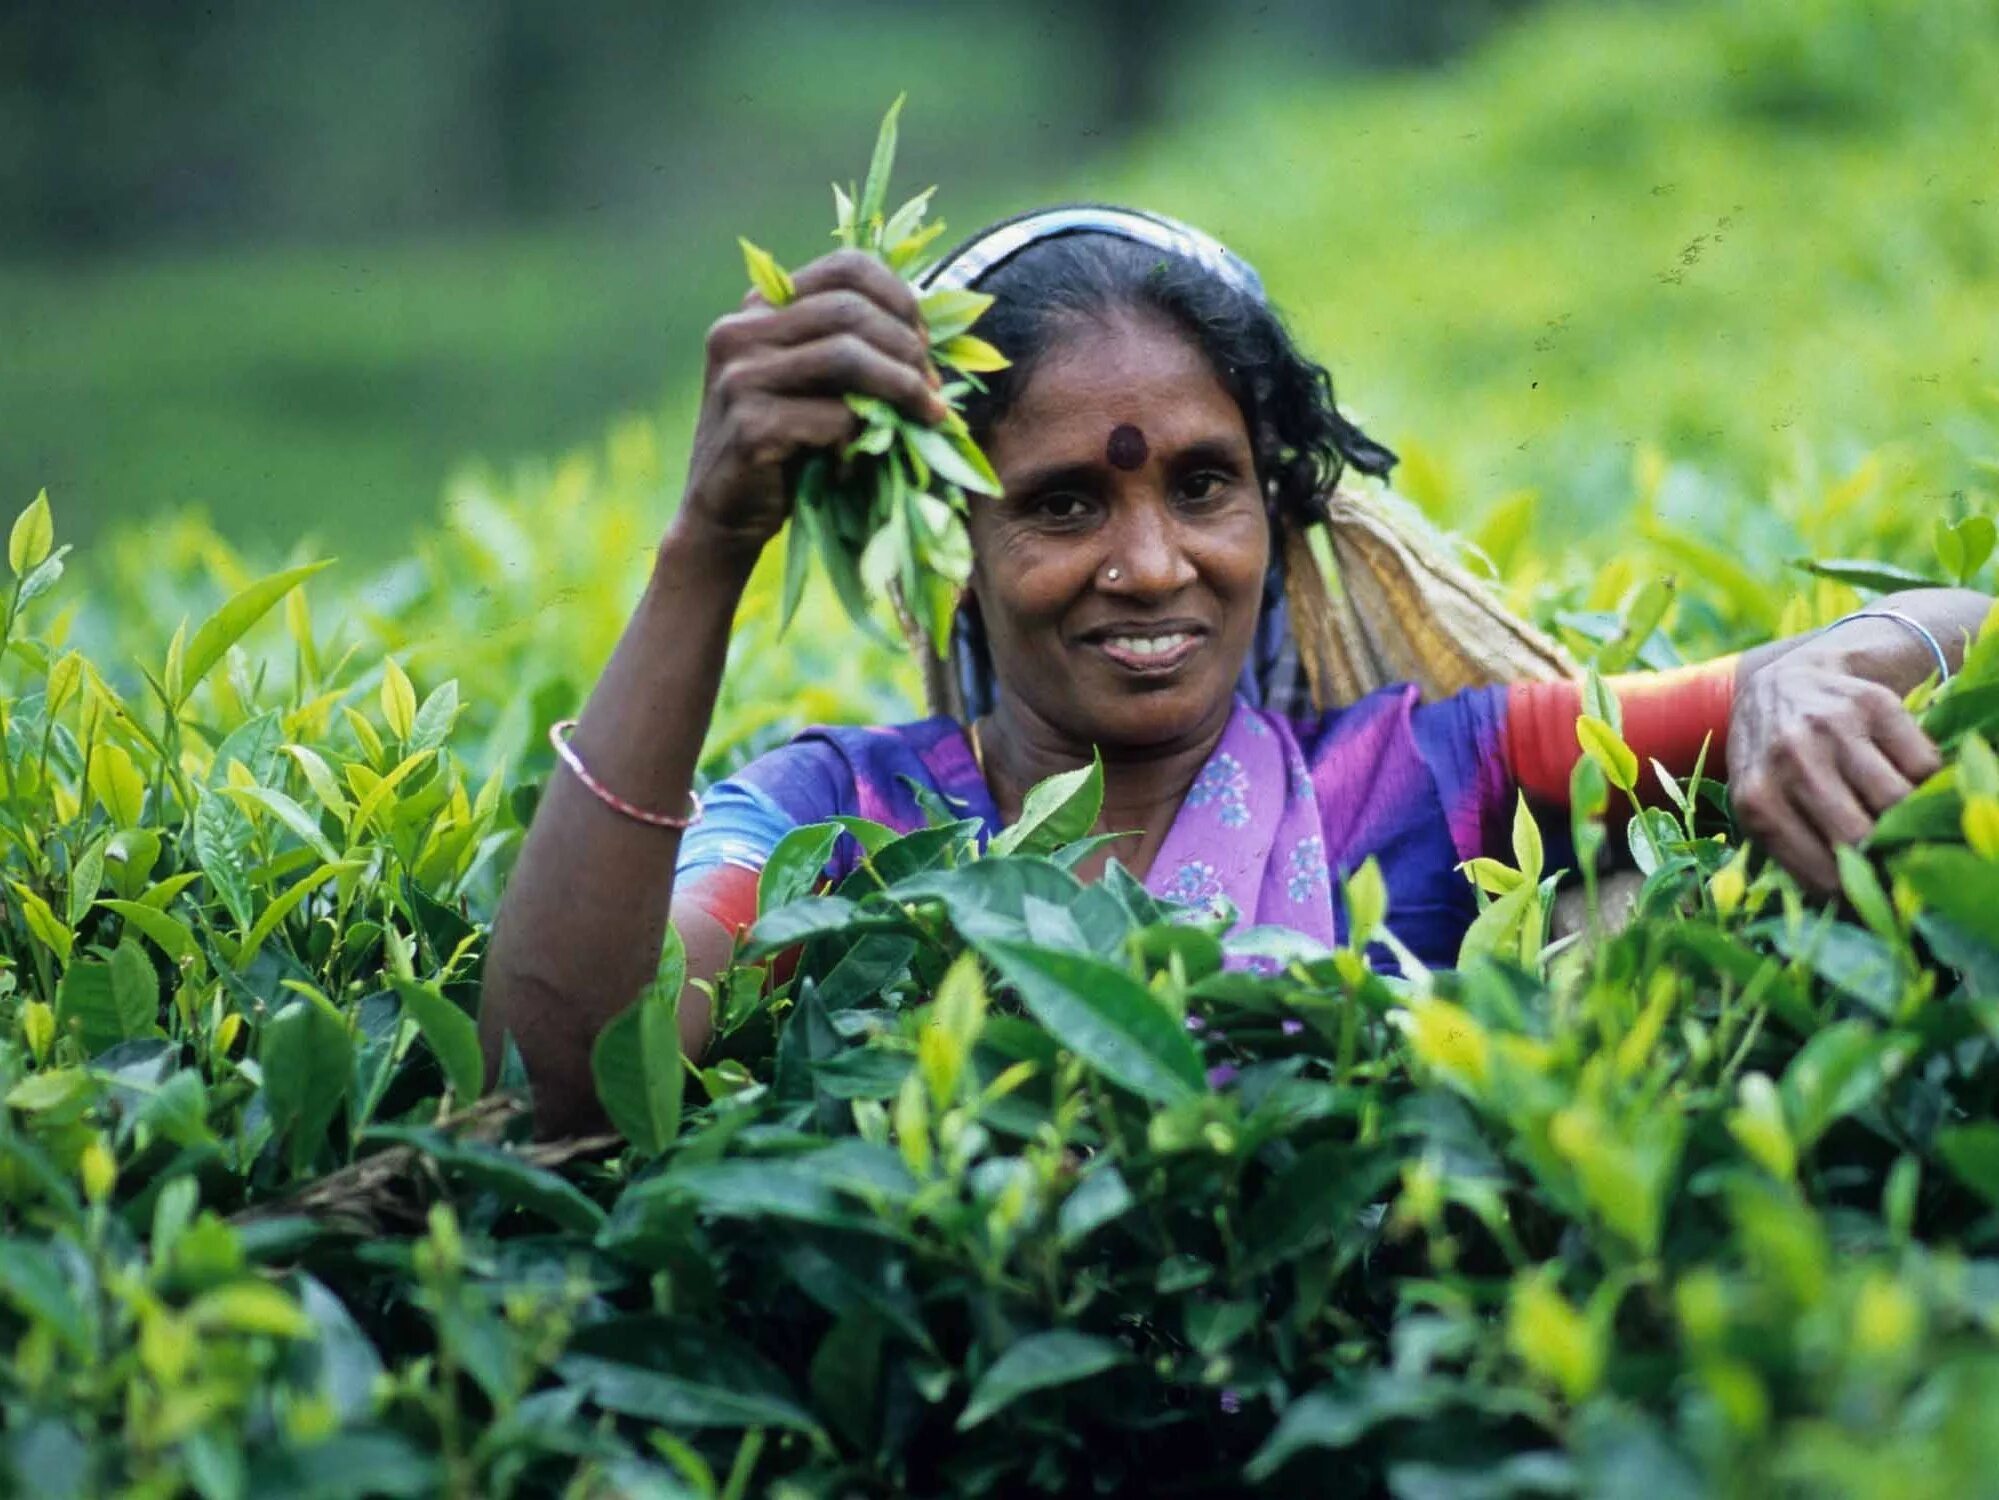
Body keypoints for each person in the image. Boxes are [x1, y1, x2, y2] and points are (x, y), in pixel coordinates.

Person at [481, 205, 1991, 1137]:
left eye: (1204, 486)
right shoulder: (839, 822)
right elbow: (567, 1080)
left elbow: (1965, 624)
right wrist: (707, 544)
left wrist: (1813, 672)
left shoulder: (1426, 778)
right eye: (1064, 502)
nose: (1151, 566)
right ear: (953, 535)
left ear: (1276, 506)